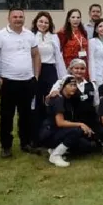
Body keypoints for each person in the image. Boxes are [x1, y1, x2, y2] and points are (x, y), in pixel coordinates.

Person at [0, 8, 41, 158]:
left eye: (21, 17)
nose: (18, 19)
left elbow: (36, 55)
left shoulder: (30, 35)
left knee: (26, 115)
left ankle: (25, 143)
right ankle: (6, 146)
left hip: (27, 81)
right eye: (15, 17)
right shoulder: (0, 36)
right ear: (9, 18)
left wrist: (36, 76)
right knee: (6, 115)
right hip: (8, 81)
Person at [42, 76, 103, 167]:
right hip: (50, 133)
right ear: (63, 86)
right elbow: (60, 122)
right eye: (70, 85)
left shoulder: (69, 98)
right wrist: (81, 124)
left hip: (60, 131)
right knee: (78, 130)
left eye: (75, 85)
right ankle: (55, 155)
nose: (73, 87)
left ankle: (55, 149)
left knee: (86, 146)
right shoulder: (58, 98)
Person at [31, 11, 68, 148]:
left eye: (46, 22)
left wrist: (63, 77)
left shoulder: (54, 37)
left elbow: (58, 57)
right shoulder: (31, 37)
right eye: (41, 21)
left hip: (50, 70)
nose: (43, 24)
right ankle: (35, 137)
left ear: (50, 24)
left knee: (51, 102)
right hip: (35, 72)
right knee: (36, 104)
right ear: (36, 22)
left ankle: (51, 134)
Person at [57, 9, 90, 79]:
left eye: (78, 17)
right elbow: (59, 52)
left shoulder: (84, 32)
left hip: (83, 65)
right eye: (73, 17)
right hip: (70, 66)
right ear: (68, 19)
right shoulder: (62, 33)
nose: (76, 20)